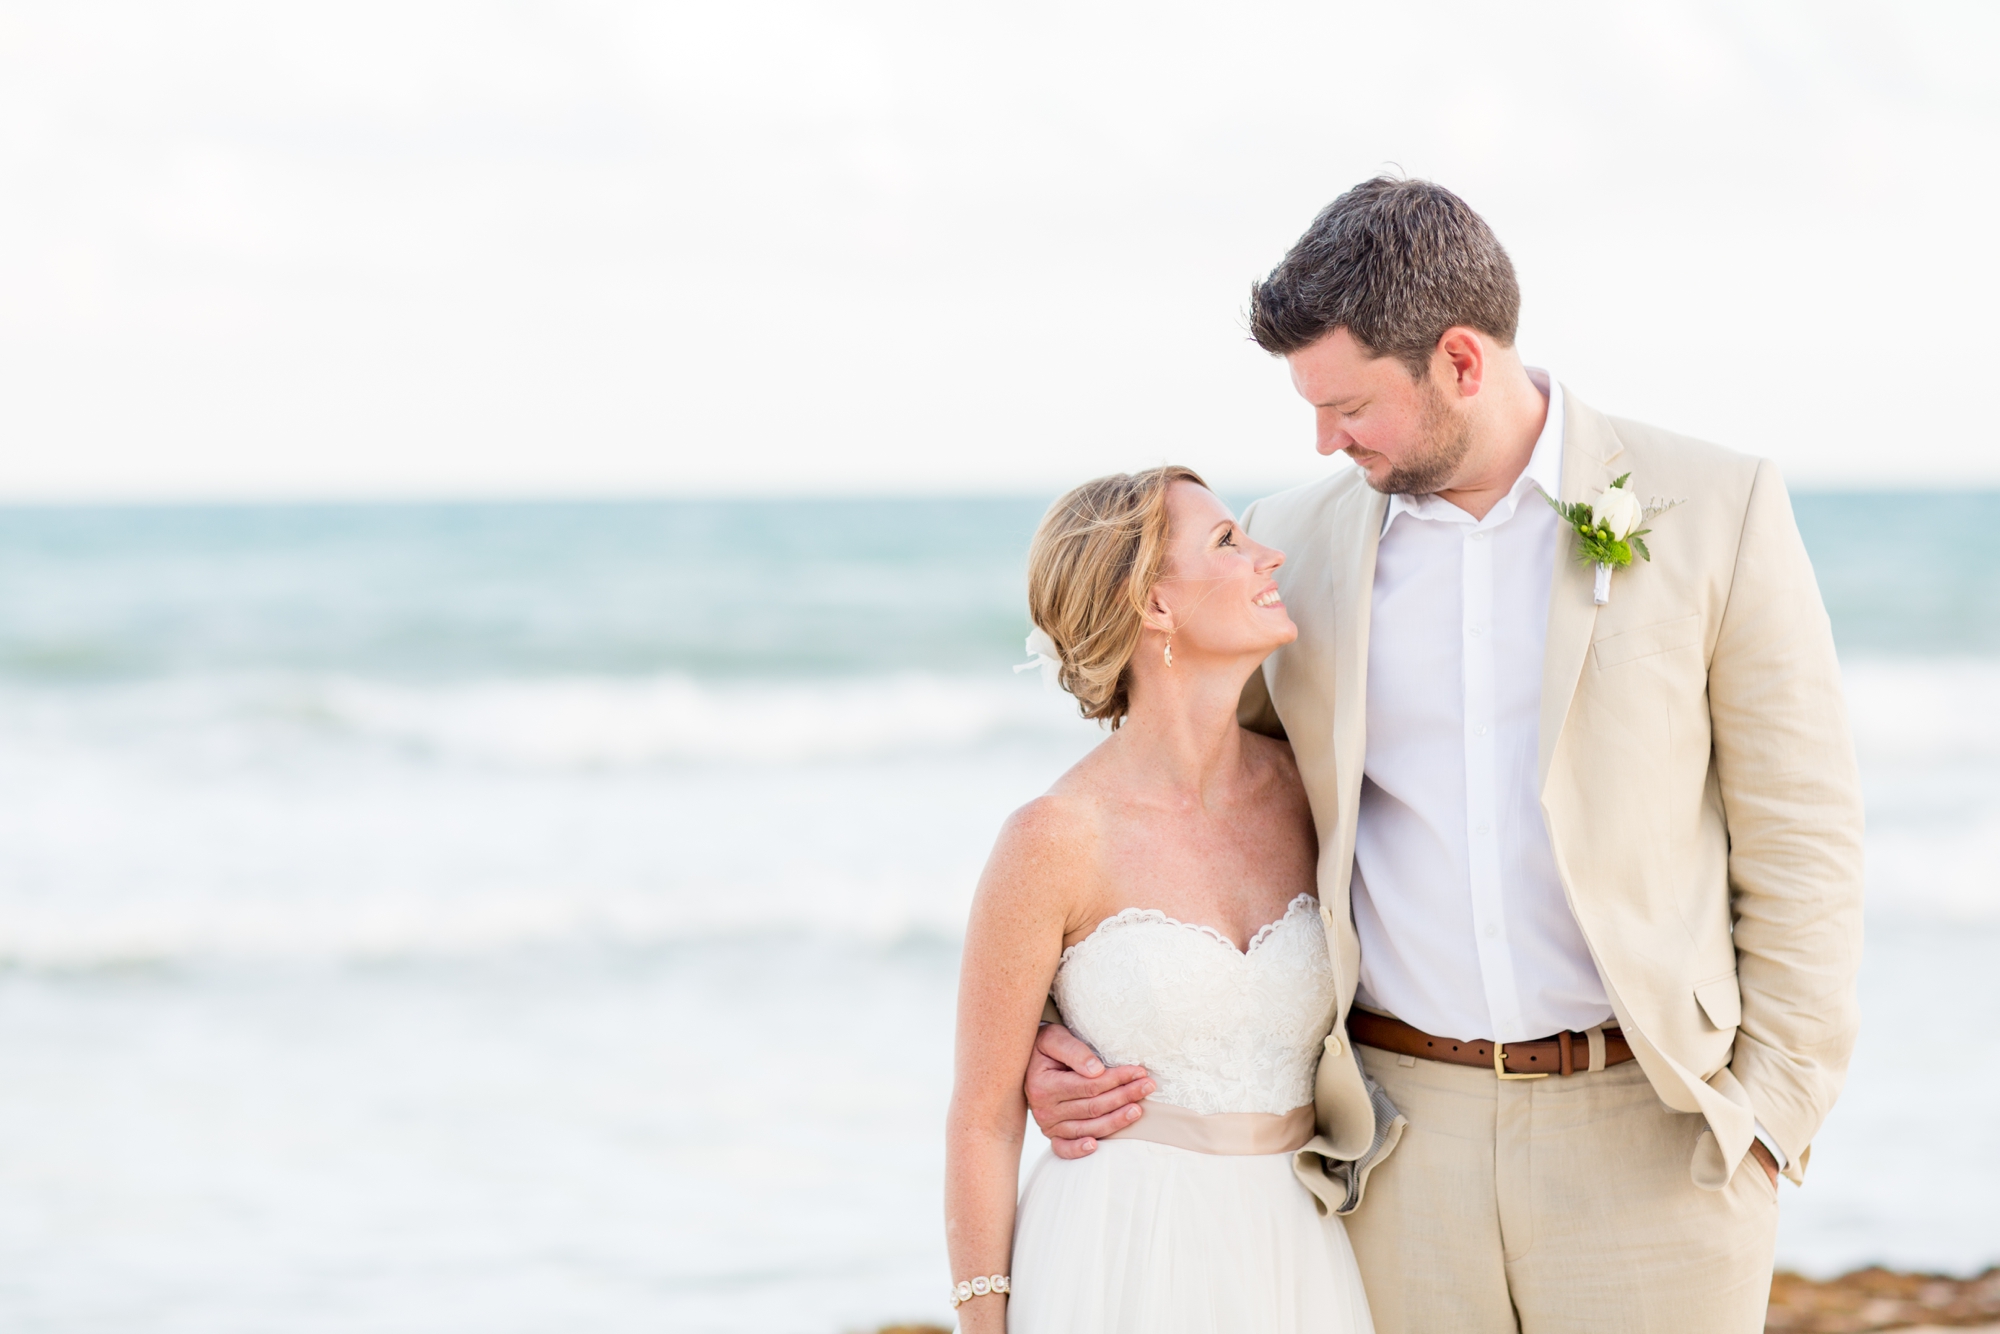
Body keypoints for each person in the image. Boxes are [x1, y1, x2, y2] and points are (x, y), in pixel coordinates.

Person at [1026, 178, 1866, 1333]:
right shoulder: (1297, 543)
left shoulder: (1715, 507)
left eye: (1348, 404)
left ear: (1460, 362)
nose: (1324, 438)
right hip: (1393, 1140)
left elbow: (1804, 832)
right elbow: (1190, 803)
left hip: (1654, 1135)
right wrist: (1059, 1031)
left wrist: (1769, 1112)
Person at [944, 466, 1375, 1333]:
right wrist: (982, 1324)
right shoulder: (1054, 838)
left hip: (1299, 1249)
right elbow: (982, 1120)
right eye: (1227, 542)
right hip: (1117, 1255)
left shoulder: (1313, 795)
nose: (1269, 556)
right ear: (1153, 606)